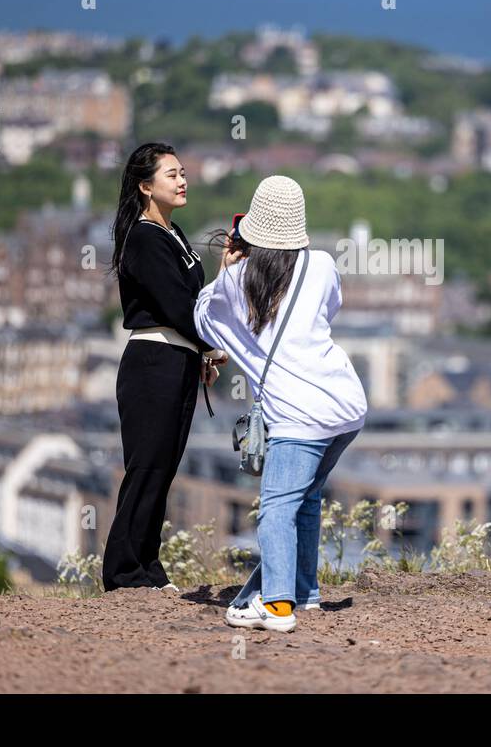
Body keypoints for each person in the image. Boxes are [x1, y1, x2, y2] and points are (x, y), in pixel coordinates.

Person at [194, 175, 366, 632]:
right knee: (306, 499)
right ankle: (304, 593)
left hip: (298, 416)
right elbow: (328, 309)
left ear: (249, 229)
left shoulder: (236, 282)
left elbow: (203, 323)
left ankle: (276, 607)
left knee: (275, 508)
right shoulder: (323, 264)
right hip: (346, 405)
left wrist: (226, 270)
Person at [102, 142, 227, 592]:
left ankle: (147, 569)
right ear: (145, 185)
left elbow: (192, 303)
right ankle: (123, 573)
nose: (182, 180)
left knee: (164, 468)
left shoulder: (172, 234)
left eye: (183, 172)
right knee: (146, 467)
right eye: (171, 174)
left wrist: (204, 352)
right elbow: (177, 306)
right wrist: (210, 342)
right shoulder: (142, 237)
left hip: (177, 360)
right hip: (152, 362)